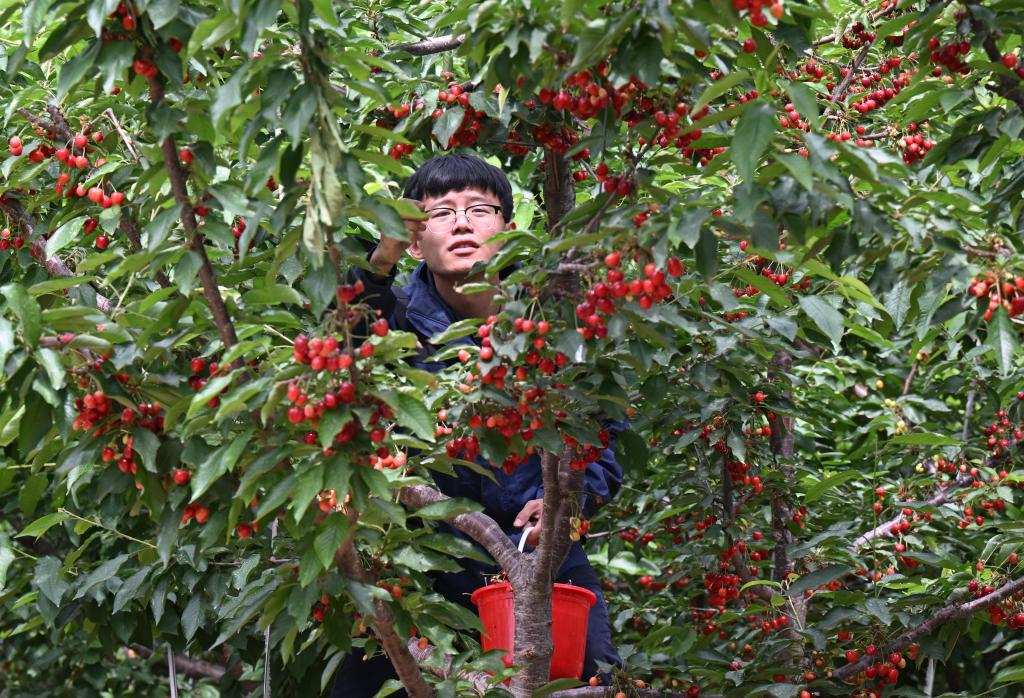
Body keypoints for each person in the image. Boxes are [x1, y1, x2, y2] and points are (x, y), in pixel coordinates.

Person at [329, 153, 624, 697]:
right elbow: (341, 343)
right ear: (414, 241)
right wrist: (382, 254)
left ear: (508, 229)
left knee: (588, 680)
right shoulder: (393, 318)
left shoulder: (552, 320)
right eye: (440, 213)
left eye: (479, 209)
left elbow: (602, 438)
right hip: (420, 562)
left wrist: (568, 504)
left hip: (540, 553)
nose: (461, 223)